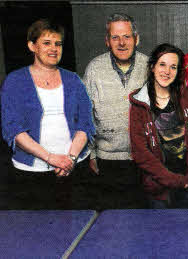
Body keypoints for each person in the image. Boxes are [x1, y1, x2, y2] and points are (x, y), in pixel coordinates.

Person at [1, 19, 95, 210]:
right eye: (46, 43)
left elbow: (85, 124)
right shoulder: (15, 81)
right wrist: (51, 158)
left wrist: (70, 159)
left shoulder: (73, 80)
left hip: (73, 168)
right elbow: (14, 129)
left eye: (58, 44)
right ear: (32, 46)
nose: (53, 48)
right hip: (32, 173)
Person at [83, 13, 148, 209]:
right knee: (112, 223)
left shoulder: (150, 66)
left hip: (144, 159)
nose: (121, 43)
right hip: (107, 161)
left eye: (127, 36)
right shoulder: (94, 69)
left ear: (137, 39)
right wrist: (92, 155)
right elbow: (85, 115)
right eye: (115, 37)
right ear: (107, 41)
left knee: (144, 222)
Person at [129, 44, 188, 209]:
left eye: (173, 67)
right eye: (162, 64)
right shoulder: (139, 104)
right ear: (153, 67)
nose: (167, 71)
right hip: (158, 190)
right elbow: (140, 153)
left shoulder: (185, 95)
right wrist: (174, 180)